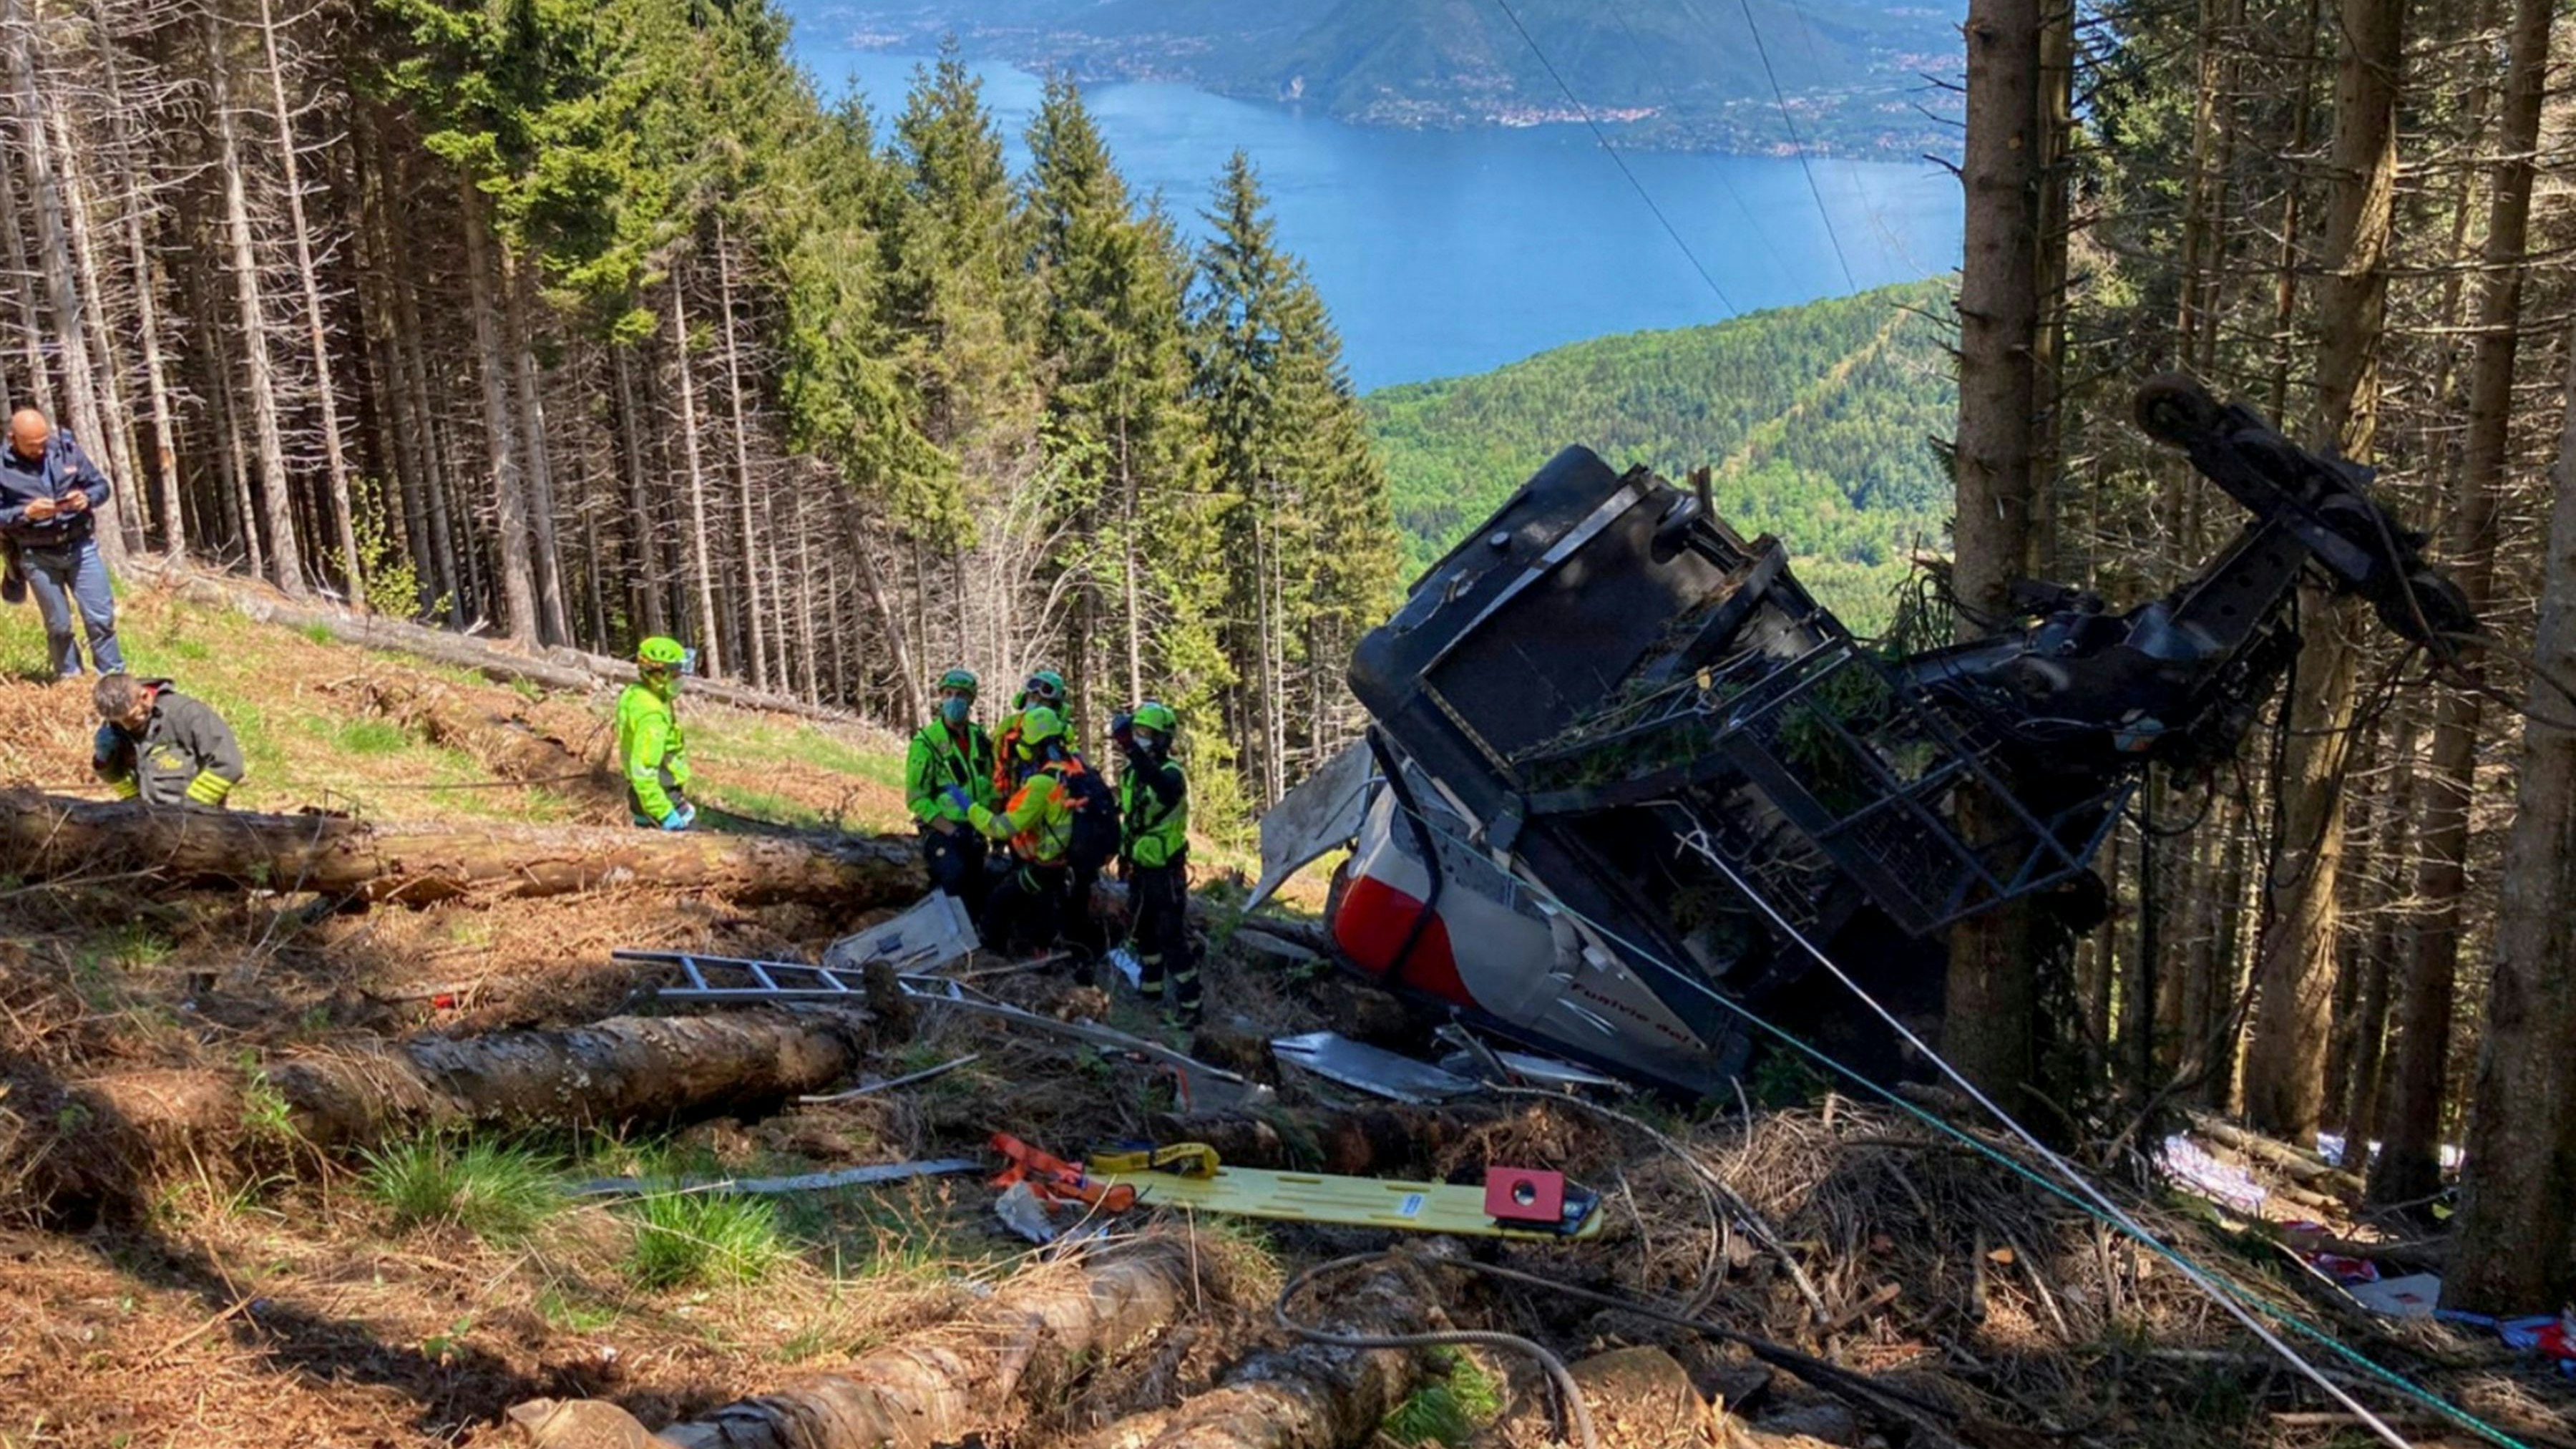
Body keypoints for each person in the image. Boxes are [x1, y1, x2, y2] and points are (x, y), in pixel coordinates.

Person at [0, 409, 123, 678]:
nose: (40, 450)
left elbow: (101, 486)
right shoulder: (2, 468)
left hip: (80, 546)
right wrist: (26, 513)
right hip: (37, 554)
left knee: (101, 618)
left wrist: (87, 498)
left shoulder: (67, 451)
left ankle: (113, 677)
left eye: (43, 442)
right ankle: (69, 679)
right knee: (59, 625)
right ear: (13, 439)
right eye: (32, 446)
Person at [959, 704, 1078, 961]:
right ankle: (1044, 954)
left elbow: (1002, 827)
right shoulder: (1076, 771)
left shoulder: (1041, 784)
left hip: (1046, 867)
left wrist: (971, 809)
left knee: (998, 904)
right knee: (1040, 917)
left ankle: (991, 959)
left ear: (1031, 746)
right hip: (1070, 866)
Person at [1113, 701, 1197, 1023]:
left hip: (1165, 871)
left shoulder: (1171, 774)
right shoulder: (1131, 773)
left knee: (1170, 936)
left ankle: (1191, 1006)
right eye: (1137, 732)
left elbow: (1162, 790)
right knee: (1143, 932)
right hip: (1140, 866)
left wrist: (1131, 748)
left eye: (1147, 733)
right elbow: (1131, 816)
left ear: (1162, 739)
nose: (1140, 738)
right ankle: (1150, 991)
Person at [906, 667, 998, 914]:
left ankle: (974, 944)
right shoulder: (926, 742)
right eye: (948, 693)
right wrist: (950, 829)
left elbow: (990, 783)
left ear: (970, 700)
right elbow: (916, 797)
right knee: (952, 876)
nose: (954, 699)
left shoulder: (980, 739)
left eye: (960, 694)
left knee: (976, 889)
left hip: (976, 828)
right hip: (942, 829)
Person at [92, 673, 244, 809]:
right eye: (120, 722)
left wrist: (191, 807)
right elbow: (122, 780)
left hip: (194, 820)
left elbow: (228, 765)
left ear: (144, 697)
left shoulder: (187, 714)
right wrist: (105, 763)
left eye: (131, 719)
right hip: (146, 821)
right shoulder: (114, 724)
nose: (126, 727)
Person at [618, 636, 697, 829]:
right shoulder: (652, 716)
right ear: (660, 675)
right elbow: (643, 770)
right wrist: (665, 812)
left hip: (642, 795)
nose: (681, 679)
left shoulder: (637, 694)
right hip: (660, 796)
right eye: (677, 674)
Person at [989, 668, 1068, 801]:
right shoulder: (1009, 726)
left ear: (1055, 707)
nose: (1036, 704)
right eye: (1032, 698)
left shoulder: (1061, 730)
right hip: (1014, 797)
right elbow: (995, 761)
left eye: (1043, 701)